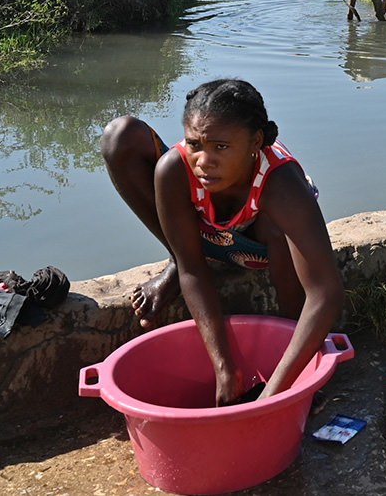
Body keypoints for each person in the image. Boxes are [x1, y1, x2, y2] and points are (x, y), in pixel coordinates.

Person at [100, 79, 343, 406]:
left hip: (260, 247)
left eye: (221, 147)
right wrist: (225, 369)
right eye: (194, 144)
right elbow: (192, 271)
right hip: (206, 237)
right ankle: (174, 259)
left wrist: (273, 395)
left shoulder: (281, 182)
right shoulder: (175, 169)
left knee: (279, 227)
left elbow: (325, 293)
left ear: (255, 141)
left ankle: (291, 362)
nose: (204, 161)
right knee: (119, 135)